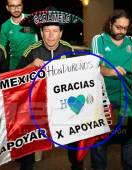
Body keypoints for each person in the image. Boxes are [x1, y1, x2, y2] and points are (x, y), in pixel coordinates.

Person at [18, 7, 84, 170]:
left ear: (61, 33)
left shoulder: (68, 49)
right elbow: (16, 77)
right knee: (30, 138)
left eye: (55, 31)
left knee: (74, 136)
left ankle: (77, 166)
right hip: (38, 105)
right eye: (47, 31)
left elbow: (79, 73)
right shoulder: (31, 51)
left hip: (63, 104)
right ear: (41, 32)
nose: (51, 35)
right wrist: (30, 66)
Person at [90, 9, 132, 170]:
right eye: (118, 27)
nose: (122, 32)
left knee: (131, 139)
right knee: (100, 139)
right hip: (104, 98)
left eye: (125, 28)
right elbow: (98, 66)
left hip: (129, 97)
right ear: (110, 24)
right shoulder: (99, 40)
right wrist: (112, 71)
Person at [0, 0, 38, 70]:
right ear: (7, 8)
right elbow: (1, 49)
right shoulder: (5, 26)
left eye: (18, 5)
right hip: (15, 66)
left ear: (22, 6)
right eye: (12, 6)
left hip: (34, 62)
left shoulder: (32, 19)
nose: (16, 9)